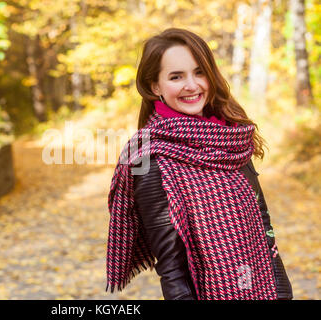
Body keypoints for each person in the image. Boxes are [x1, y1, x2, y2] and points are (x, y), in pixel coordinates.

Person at [106, 28, 293, 300]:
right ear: (155, 86)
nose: (192, 85)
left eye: (199, 72)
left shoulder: (232, 139)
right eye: (176, 77)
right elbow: (172, 269)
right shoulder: (150, 160)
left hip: (263, 290)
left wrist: (283, 294)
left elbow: (265, 229)